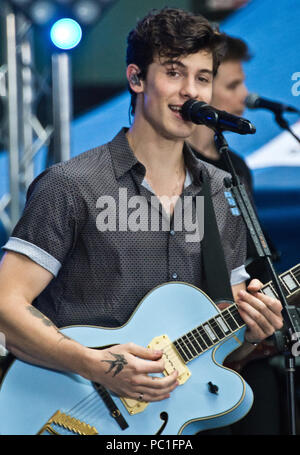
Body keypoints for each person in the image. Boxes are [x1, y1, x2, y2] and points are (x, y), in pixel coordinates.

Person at [0, 8, 283, 432]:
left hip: (168, 423)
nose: (190, 91)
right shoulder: (71, 185)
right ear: (136, 78)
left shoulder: (222, 191)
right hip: (72, 410)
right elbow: (6, 305)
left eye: (202, 78)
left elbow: (225, 345)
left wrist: (254, 332)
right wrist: (97, 365)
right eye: (174, 72)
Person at [188, 33, 283, 434]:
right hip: (187, 349)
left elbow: (254, 258)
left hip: (241, 347)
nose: (246, 94)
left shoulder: (235, 166)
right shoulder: (169, 168)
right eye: (232, 85)